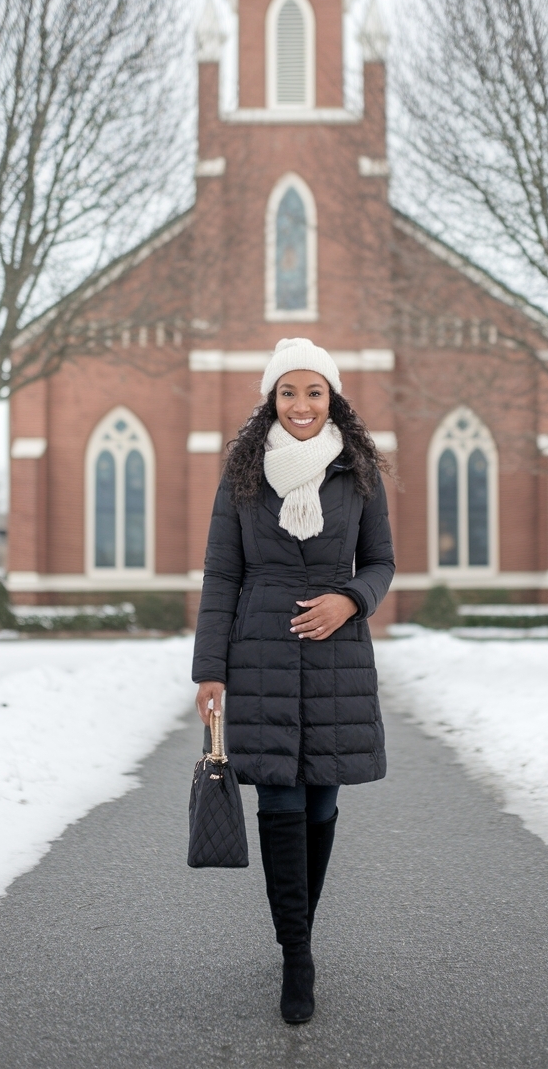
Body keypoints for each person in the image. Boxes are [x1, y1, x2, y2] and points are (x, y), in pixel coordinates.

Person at [192, 337, 395, 1024]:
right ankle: (297, 957)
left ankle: (296, 929)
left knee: (321, 807)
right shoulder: (243, 475)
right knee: (279, 802)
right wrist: (210, 670)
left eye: (313, 391)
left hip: (337, 658)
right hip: (260, 653)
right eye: (288, 392)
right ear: (271, 400)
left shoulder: (358, 472)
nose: (301, 405)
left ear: (331, 397)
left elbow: (381, 562)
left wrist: (351, 600)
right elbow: (222, 573)